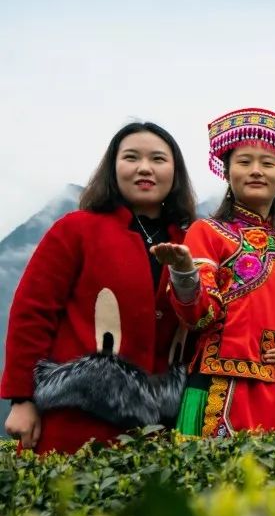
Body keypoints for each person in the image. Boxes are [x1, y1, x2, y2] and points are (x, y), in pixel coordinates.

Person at [2, 121, 196, 453]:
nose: (144, 168)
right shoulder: (76, 230)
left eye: (159, 159)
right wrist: (22, 399)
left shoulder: (193, 241)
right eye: (131, 157)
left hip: (163, 425)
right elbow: (32, 312)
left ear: (175, 173)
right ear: (113, 167)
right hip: (75, 417)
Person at [156, 108, 275, 437]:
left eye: (268, 163)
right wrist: (185, 273)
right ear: (228, 172)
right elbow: (200, 317)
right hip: (221, 386)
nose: (256, 171)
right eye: (244, 162)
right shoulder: (207, 233)